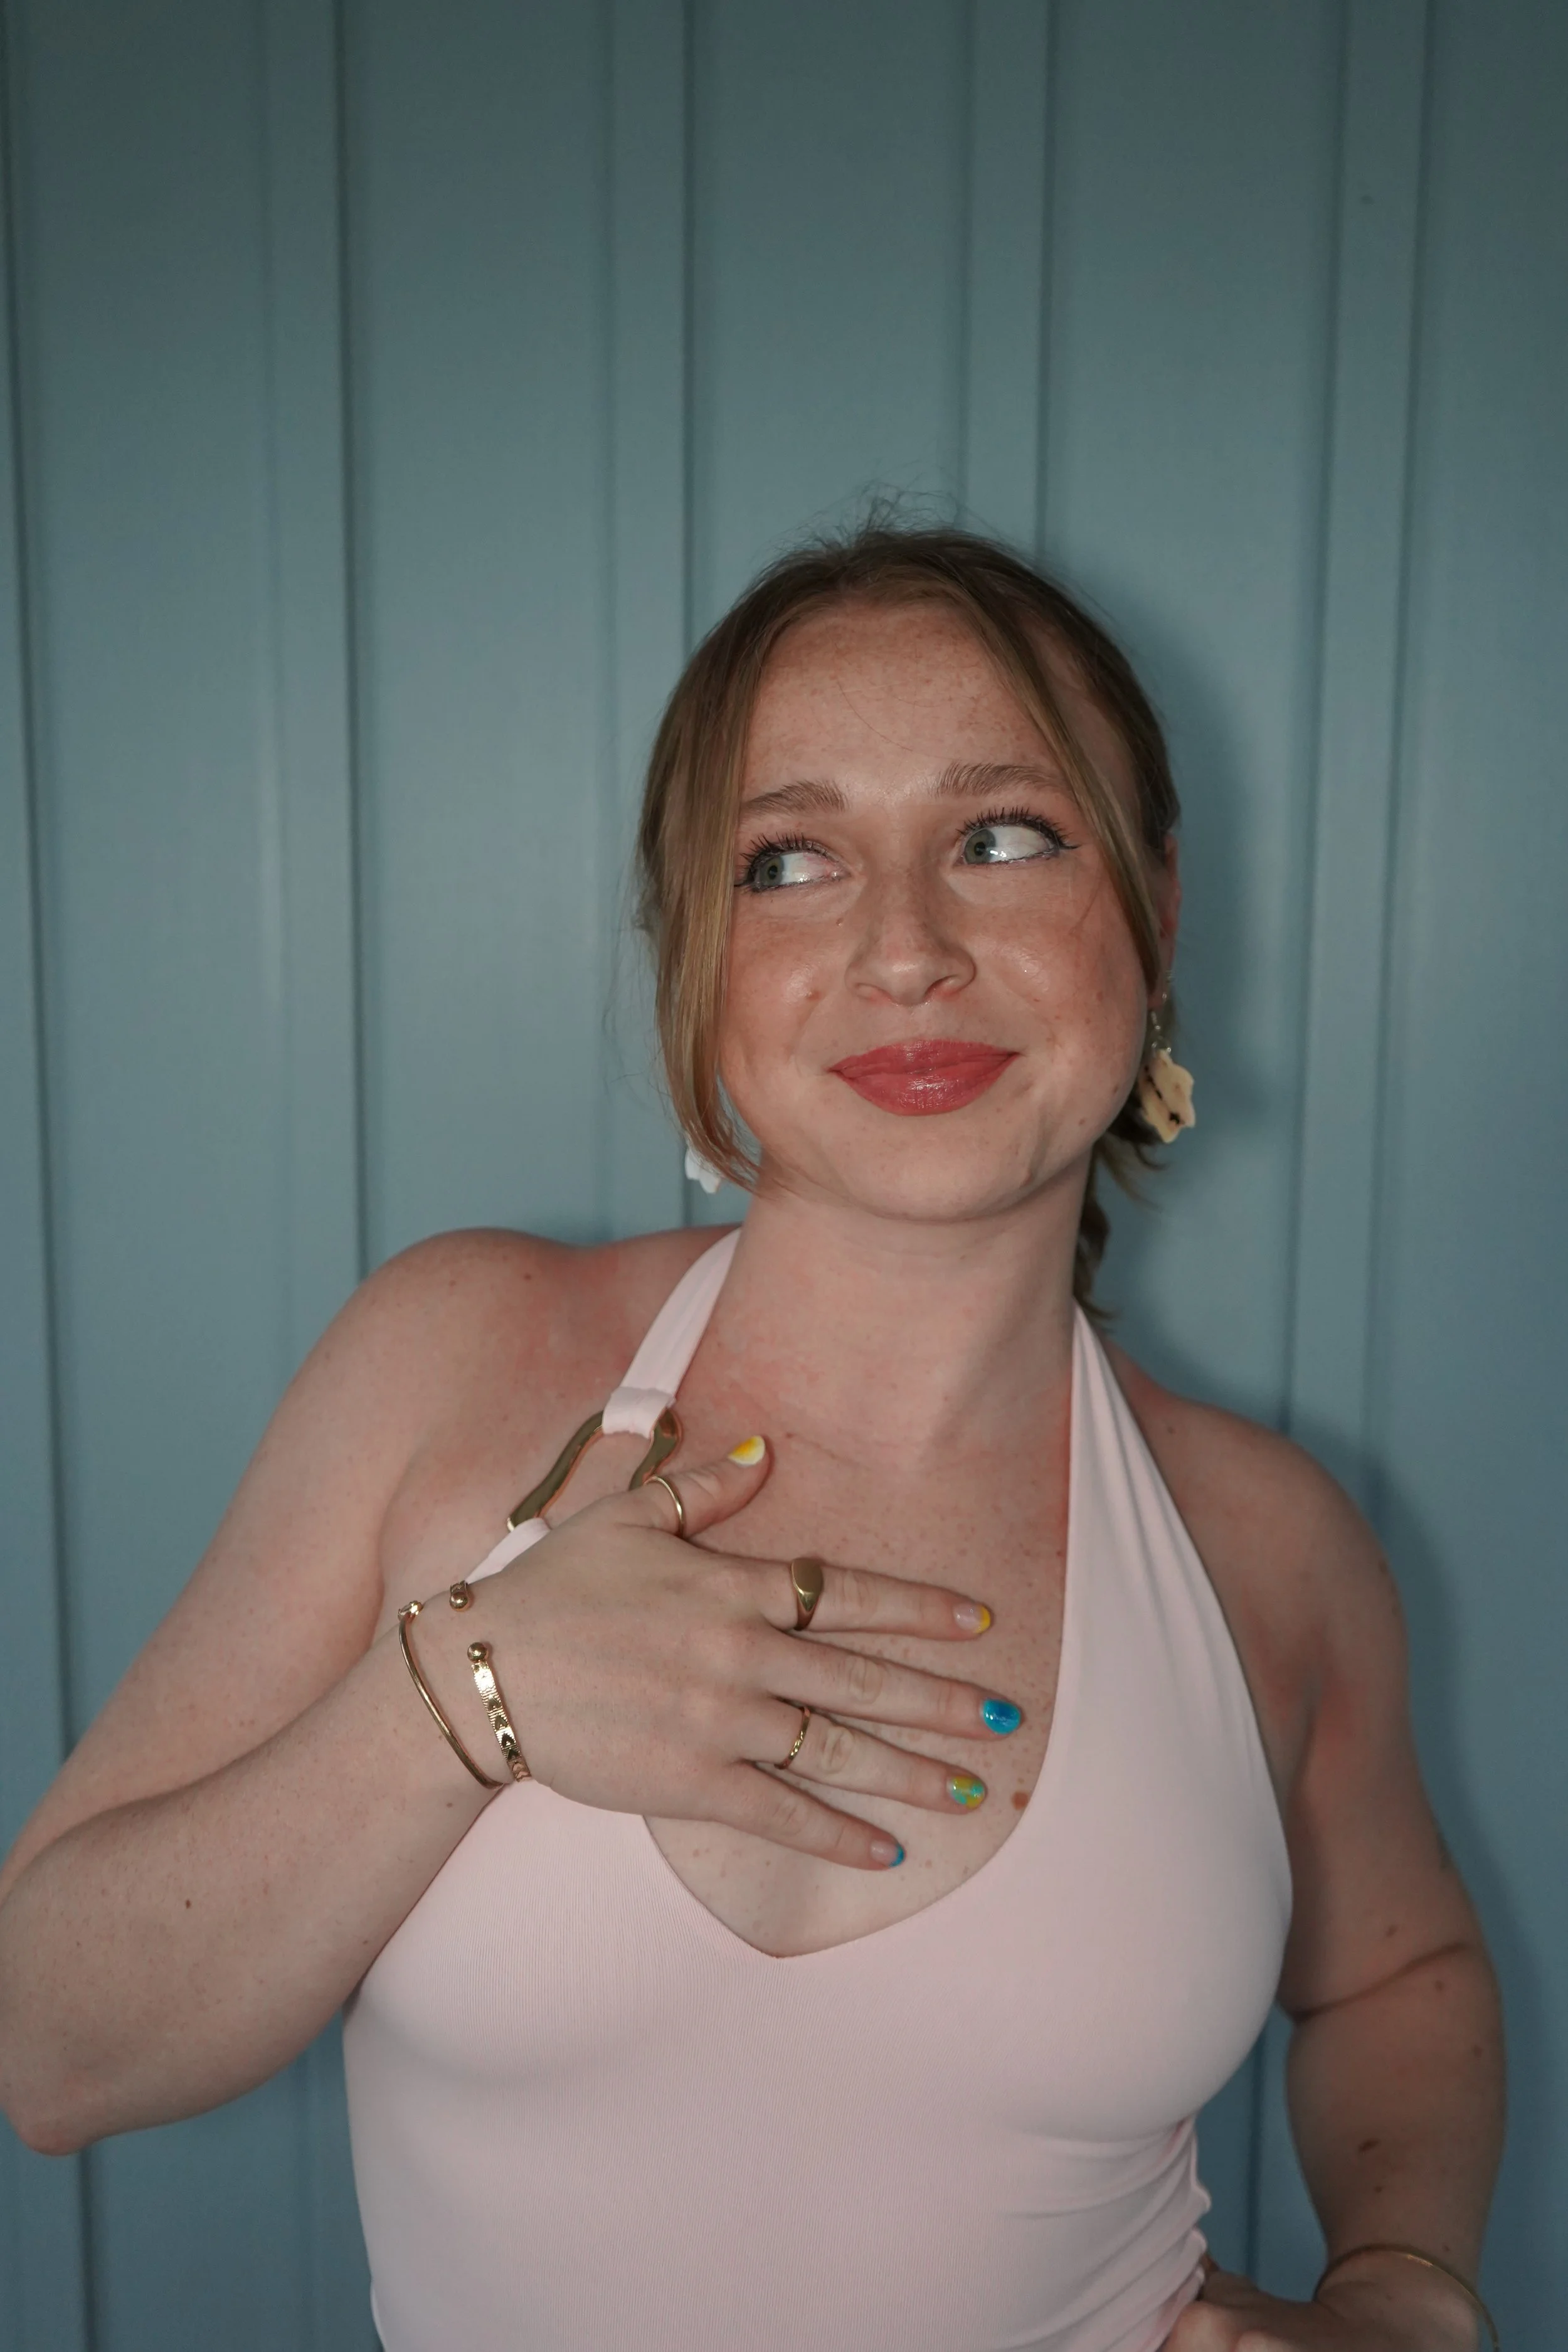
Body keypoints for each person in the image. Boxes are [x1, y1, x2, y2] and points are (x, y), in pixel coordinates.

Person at [0, 526, 1503, 2352]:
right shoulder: (459, 1369)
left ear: (1157, 910)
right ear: (704, 966)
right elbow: (48, 2049)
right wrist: (462, 1699)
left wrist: (1401, 2294)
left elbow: (1401, 1971)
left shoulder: (1268, 1548)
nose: (903, 949)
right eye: (788, 862)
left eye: (1000, 834)